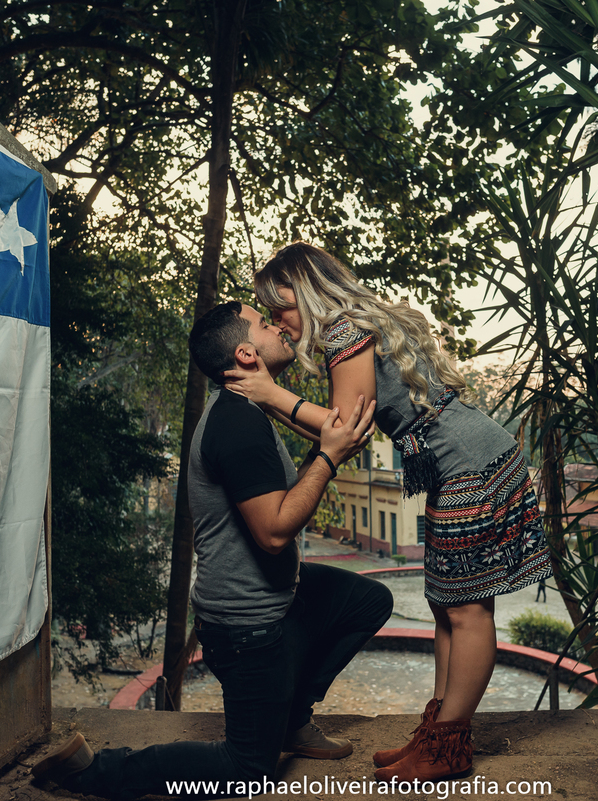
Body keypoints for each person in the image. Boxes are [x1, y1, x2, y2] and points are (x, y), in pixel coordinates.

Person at [31, 300, 392, 799]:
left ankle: (292, 720)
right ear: (246, 354)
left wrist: (326, 441)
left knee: (368, 601)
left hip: (277, 598)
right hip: (246, 626)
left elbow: (311, 450)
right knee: (247, 771)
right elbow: (273, 532)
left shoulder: (247, 409)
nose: (278, 327)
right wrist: (328, 456)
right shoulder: (236, 424)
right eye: (266, 324)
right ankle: (92, 771)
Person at [223, 242, 553, 782]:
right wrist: (272, 399)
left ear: (301, 289)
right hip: (464, 458)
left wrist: (268, 392)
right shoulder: (355, 323)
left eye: (276, 305)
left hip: (468, 463)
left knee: (467, 611)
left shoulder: (343, 330)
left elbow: (343, 425)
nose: (279, 323)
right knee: (448, 603)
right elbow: (340, 435)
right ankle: (434, 737)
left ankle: (446, 750)